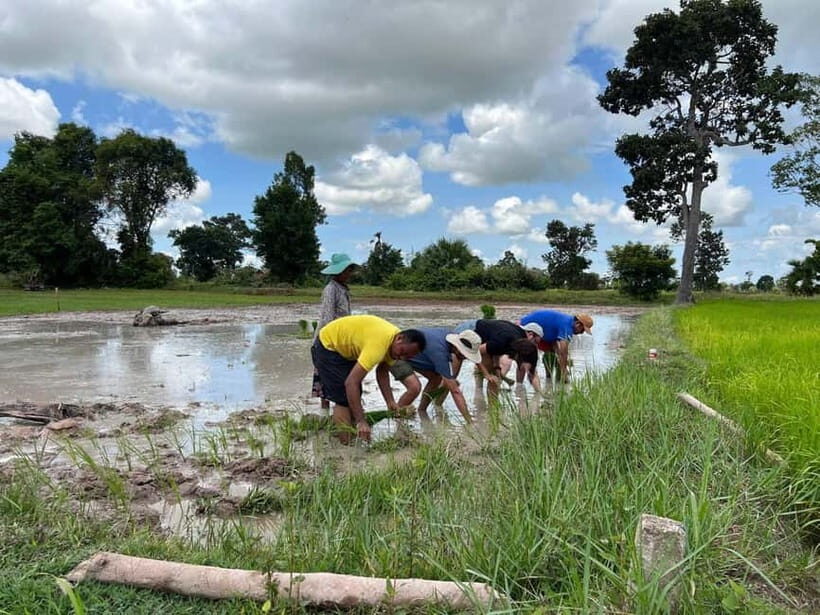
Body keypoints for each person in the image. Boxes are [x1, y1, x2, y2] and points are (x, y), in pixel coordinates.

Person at [311, 314, 425, 443]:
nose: (402, 358)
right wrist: (361, 421)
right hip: (329, 345)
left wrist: (390, 401)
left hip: (346, 350)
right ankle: (345, 447)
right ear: (399, 338)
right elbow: (351, 382)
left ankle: (351, 435)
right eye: (403, 352)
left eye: (407, 357)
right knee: (343, 398)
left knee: (354, 395)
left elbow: (382, 371)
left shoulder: (393, 343)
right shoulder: (378, 345)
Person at [388, 328, 483, 424]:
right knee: (414, 387)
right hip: (397, 354)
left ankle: (422, 410)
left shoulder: (449, 336)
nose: (466, 358)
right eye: (465, 355)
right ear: (457, 347)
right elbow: (455, 391)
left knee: (436, 378)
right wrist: (470, 422)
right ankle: (397, 417)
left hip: (415, 356)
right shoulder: (440, 352)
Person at [312, 253, 358, 409]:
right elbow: (327, 318)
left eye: (350, 270)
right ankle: (325, 414)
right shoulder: (331, 289)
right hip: (328, 341)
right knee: (325, 379)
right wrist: (328, 343)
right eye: (347, 270)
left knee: (340, 378)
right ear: (339, 271)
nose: (349, 274)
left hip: (340, 341)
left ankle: (341, 409)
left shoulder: (343, 289)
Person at [454, 319, 541, 398]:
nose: (536, 346)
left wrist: (497, 367)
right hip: (469, 331)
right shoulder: (506, 340)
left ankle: (489, 405)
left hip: (486, 339)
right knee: (452, 375)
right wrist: (486, 374)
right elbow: (475, 353)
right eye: (536, 342)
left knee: (494, 376)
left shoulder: (520, 342)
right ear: (530, 334)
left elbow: (496, 351)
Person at [519, 310, 593, 381]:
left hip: (540, 331)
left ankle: (549, 377)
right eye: (582, 330)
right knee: (528, 357)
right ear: (578, 324)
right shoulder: (567, 326)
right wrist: (564, 371)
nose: (582, 333)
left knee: (551, 353)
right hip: (527, 328)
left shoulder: (567, 321)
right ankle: (545, 377)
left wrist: (565, 362)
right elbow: (564, 352)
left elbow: (555, 345)